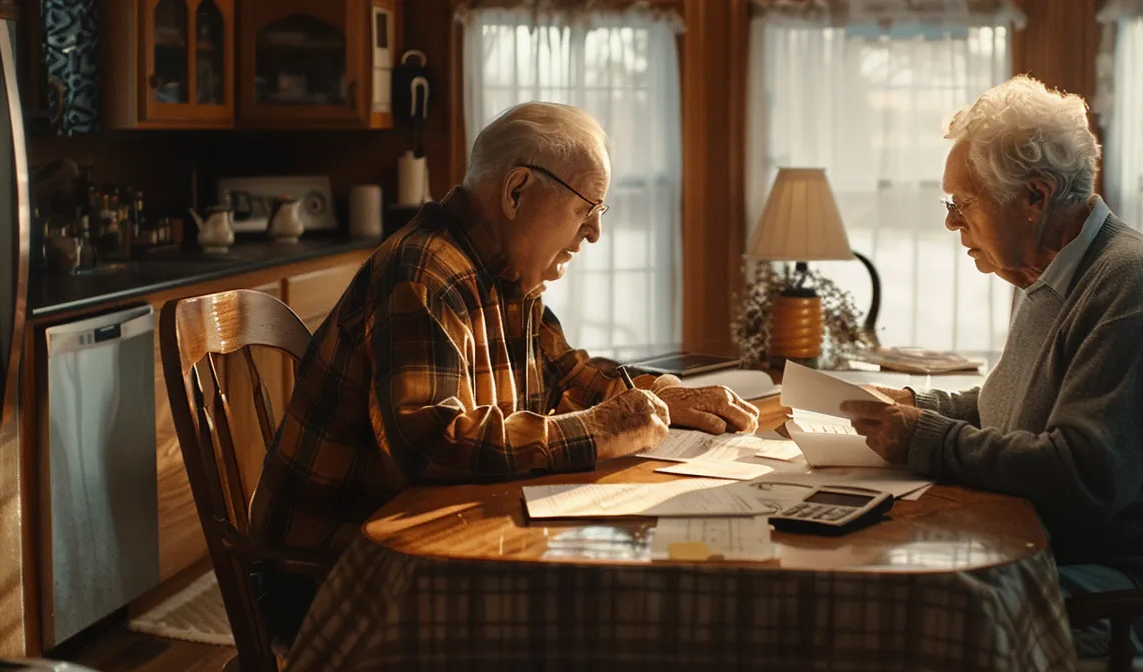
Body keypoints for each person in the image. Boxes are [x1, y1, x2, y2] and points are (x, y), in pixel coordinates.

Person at [247, 101, 760, 645]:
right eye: (588, 208)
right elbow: (428, 442)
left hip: (427, 543)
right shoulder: (423, 271)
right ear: (516, 191)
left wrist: (661, 396)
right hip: (337, 578)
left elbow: (567, 374)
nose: (593, 236)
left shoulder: (504, 272)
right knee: (604, 616)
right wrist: (605, 429)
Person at [842, 76, 1143, 657]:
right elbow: (1015, 408)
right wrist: (919, 408)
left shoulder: (1130, 280)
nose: (949, 225)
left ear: (1035, 198)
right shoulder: (1048, 274)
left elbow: (1085, 476)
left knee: (925, 612)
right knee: (905, 586)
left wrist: (928, 439)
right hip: (1093, 558)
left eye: (962, 205)